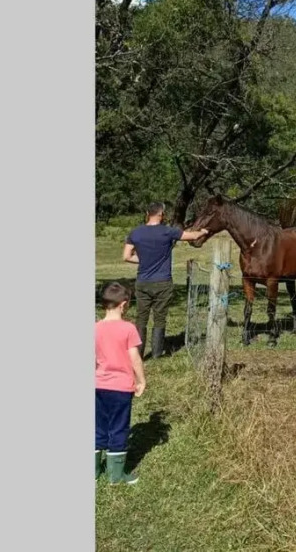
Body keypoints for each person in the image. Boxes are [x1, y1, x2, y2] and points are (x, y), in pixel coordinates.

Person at [123, 202, 209, 359]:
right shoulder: (168, 231)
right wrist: (203, 231)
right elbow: (192, 236)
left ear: (147, 213)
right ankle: (156, 353)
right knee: (159, 318)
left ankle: (139, 353)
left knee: (141, 318)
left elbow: (126, 256)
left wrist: (143, 260)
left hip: (143, 282)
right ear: (161, 214)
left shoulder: (135, 232)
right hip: (163, 282)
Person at [95, 282, 145, 484]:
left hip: (98, 385)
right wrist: (141, 380)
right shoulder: (128, 328)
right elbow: (135, 358)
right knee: (118, 427)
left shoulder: (95, 328)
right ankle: (116, 475)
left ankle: (94, 471)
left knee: (98, 425)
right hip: (121, 388)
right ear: (123, 305)